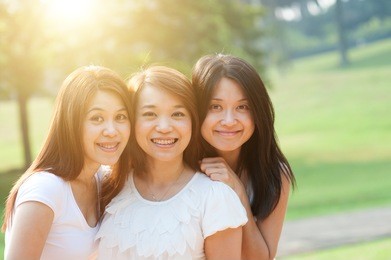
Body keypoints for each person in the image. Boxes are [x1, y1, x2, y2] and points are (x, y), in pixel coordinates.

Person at [96, 66, 248, 260]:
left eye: (177, 114)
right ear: (132, 121)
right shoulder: (108, 183)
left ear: (193, 121)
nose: (165, 127)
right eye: (150, 114)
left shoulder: (215, 198)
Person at [2, 65, 132, 260]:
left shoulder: (101, 178)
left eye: (120, 117)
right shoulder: (45, 189)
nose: (112, 130)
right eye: (97, 118)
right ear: (71, 123)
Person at [192, 54, 296, 260]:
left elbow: (260, 258)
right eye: (215, 107)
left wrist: (238, 192)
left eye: (242, 107)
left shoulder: (274, 174)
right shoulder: (180, 168)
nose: (229, 120)